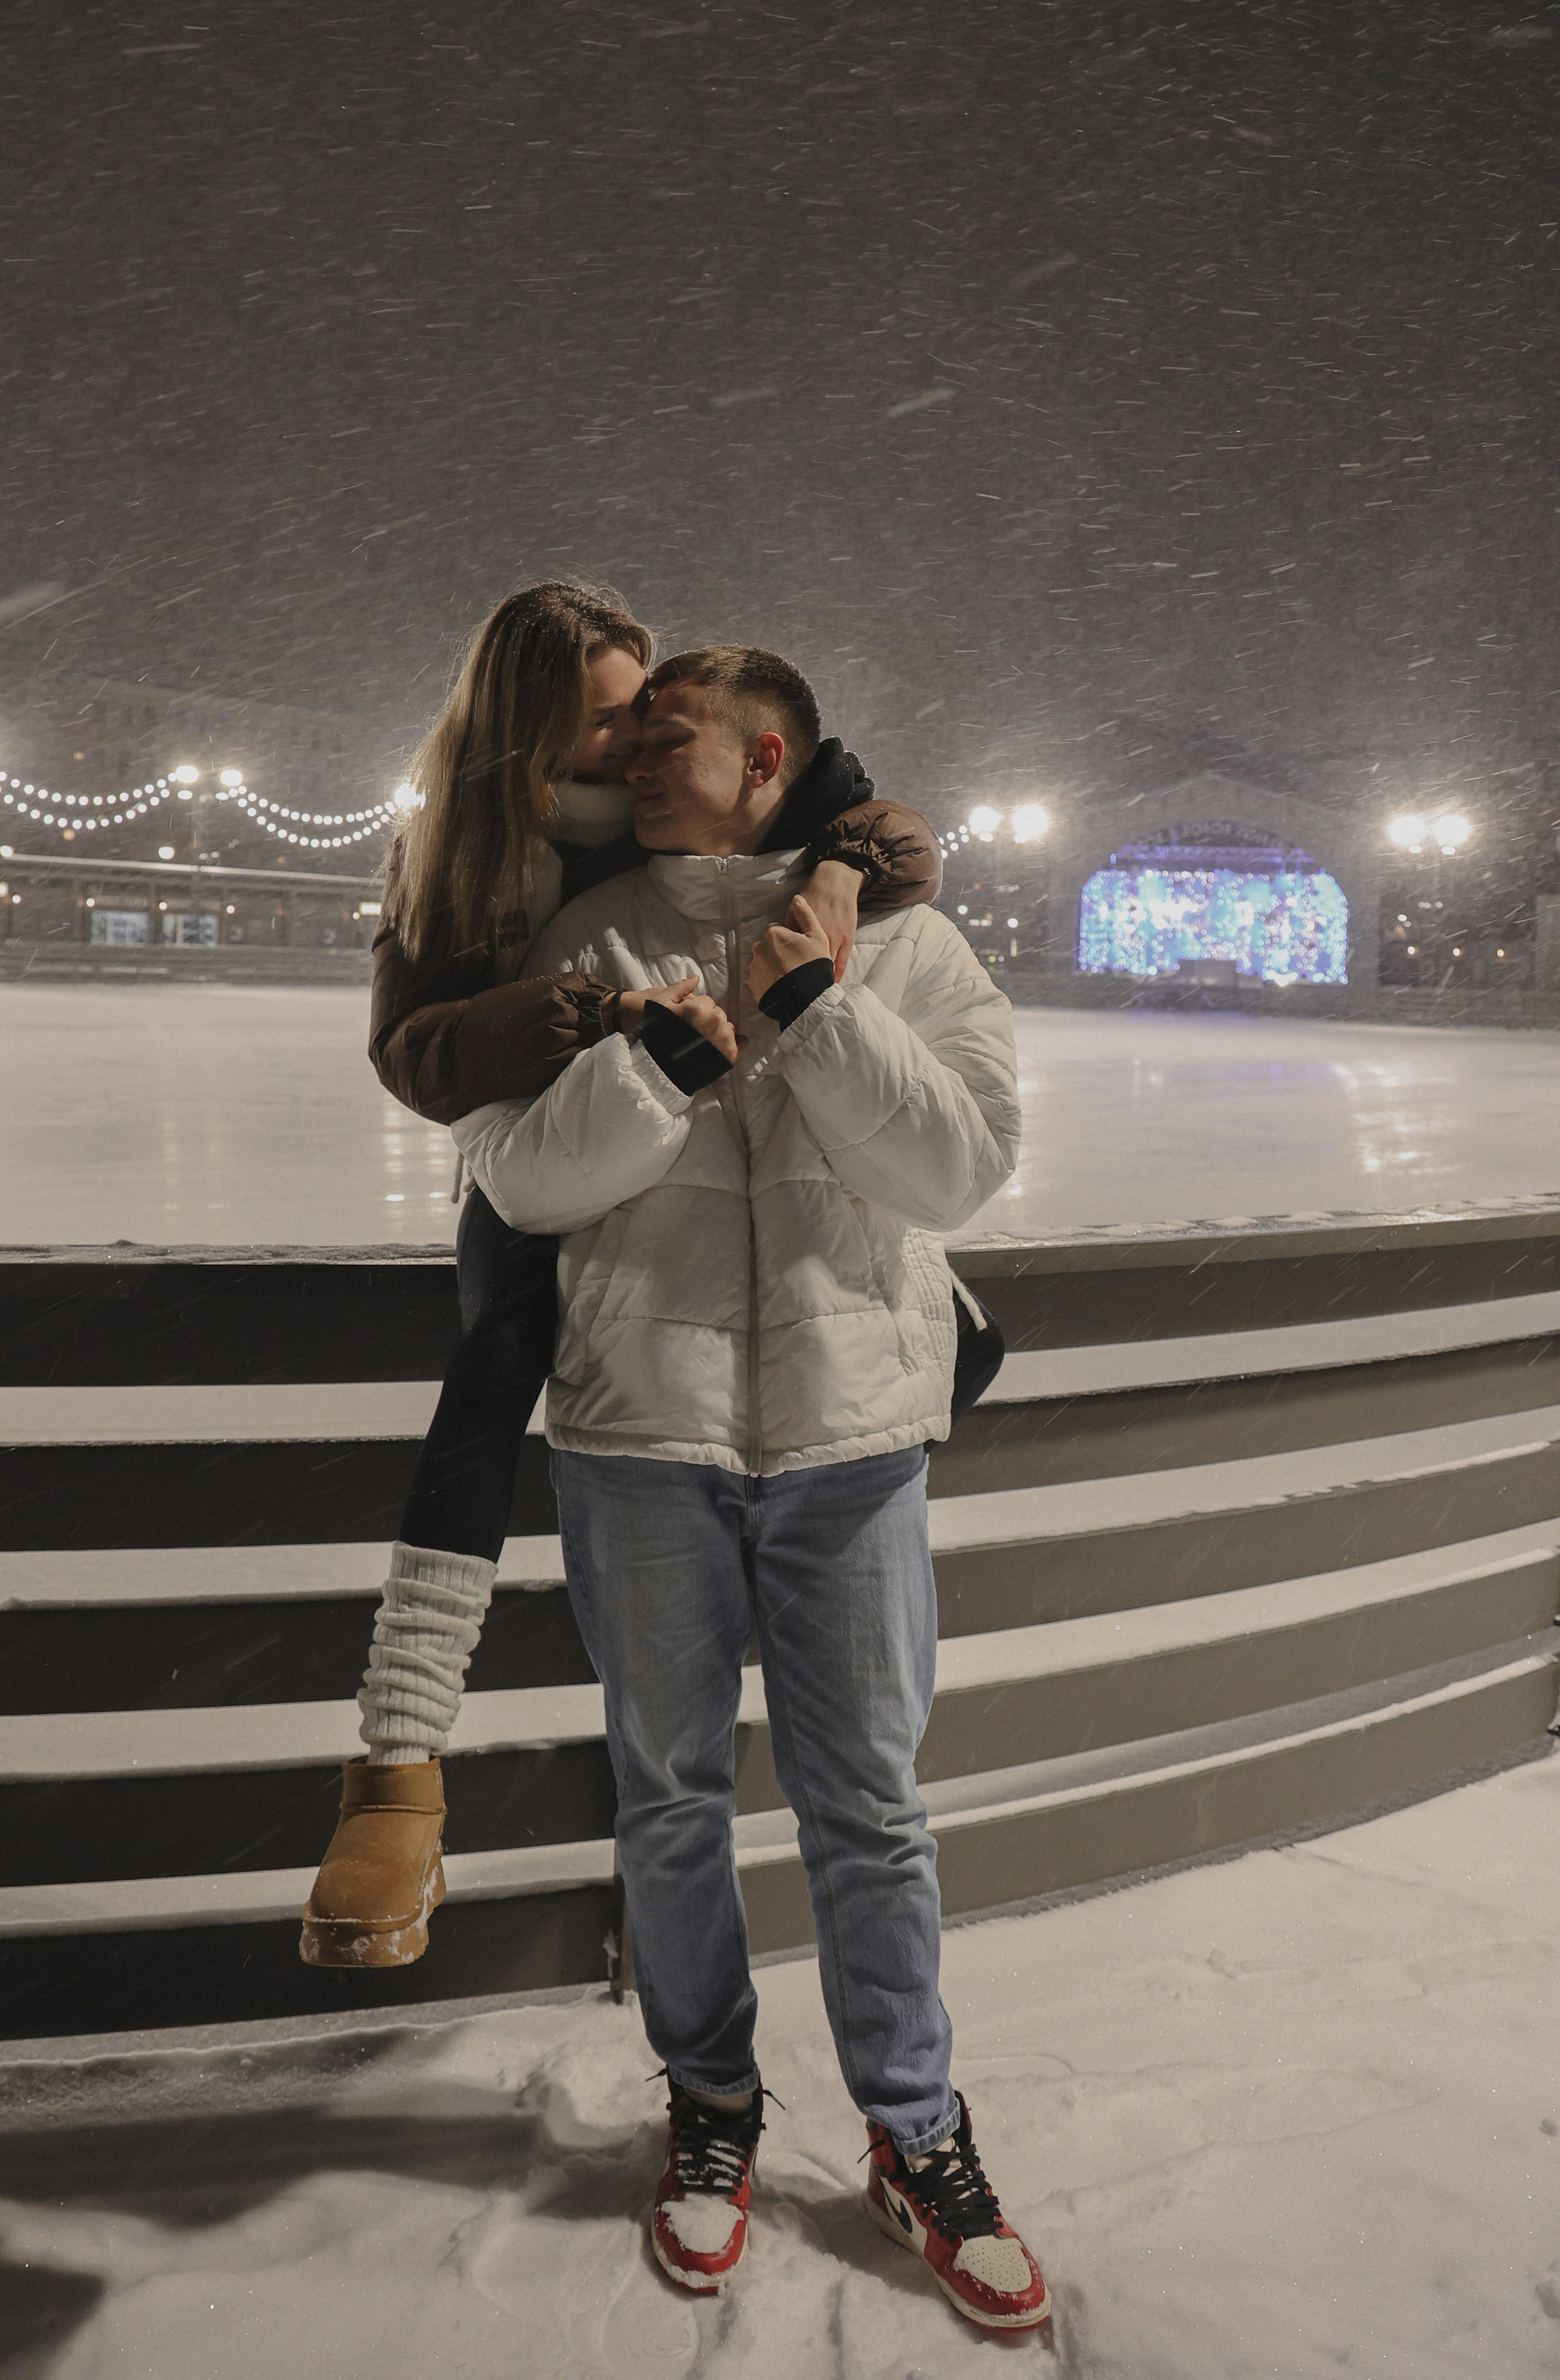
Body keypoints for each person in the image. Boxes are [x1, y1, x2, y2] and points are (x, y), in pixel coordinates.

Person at [443, 644, 1048, 2334]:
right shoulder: (585, 939)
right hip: (643, 1433)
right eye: (628, 736)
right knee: (669, 1798)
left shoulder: (908, 942)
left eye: (672, 735)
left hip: (849, 1442)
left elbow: (960, 1171)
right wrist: (658, 1072)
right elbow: (519, 1177)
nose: (634, 756)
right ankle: (708, 2112)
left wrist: (815, 1012)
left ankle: (915, 2133)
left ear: (767, 753)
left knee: (869, 1810)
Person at [301, 583, 943, 1970]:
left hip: (710, 1185)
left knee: (884, 1280)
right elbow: (415, 1054)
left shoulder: (697, 793)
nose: (635, 745)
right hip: (549, 1131)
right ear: (526, 724)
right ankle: (397, 1772)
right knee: (491, 1368)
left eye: (651, 716)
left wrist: (840, 871)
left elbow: (876, 817)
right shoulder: (465, 852)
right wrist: (596, 1011)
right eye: (606, 720)